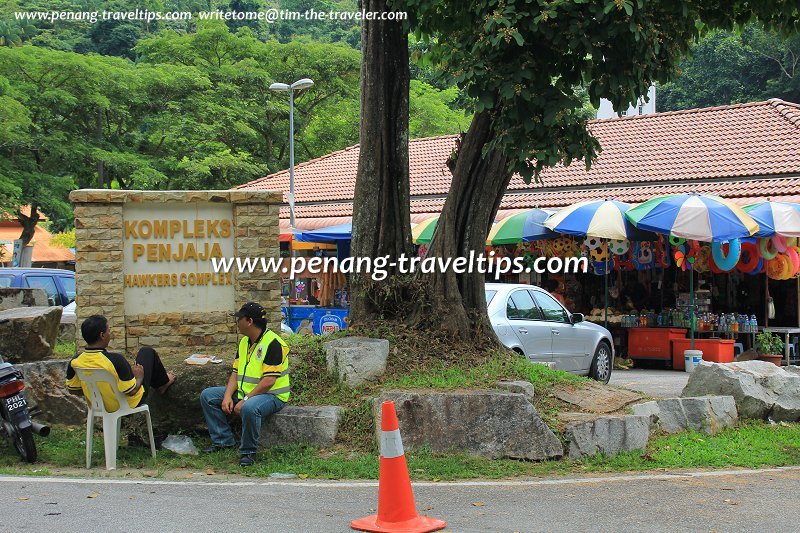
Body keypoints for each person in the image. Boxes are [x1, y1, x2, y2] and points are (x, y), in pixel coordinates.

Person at [200, 302, 290, 467]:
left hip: (272, 396)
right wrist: (227, 396)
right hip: (246, 392)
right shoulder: (244, 343)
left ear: (249, 321)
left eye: (239, 318)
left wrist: (246, 399)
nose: (237, 322)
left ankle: (248, 452)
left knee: (249, 408)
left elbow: (269, 380)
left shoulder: (274, 343)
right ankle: (223, 441)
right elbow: (236, 372)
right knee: (208, 396)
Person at [66, 315, 175, 444]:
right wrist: (139, 377)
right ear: (102, 335)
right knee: (146, 352)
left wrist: (97, 389)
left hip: (98, 406)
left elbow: (73, 390)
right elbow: (131, 391)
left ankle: (161, 382)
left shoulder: (76, 360)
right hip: (127, 403)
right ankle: (163, 384)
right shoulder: (116, 359)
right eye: (108, 330)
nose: (109, 334)